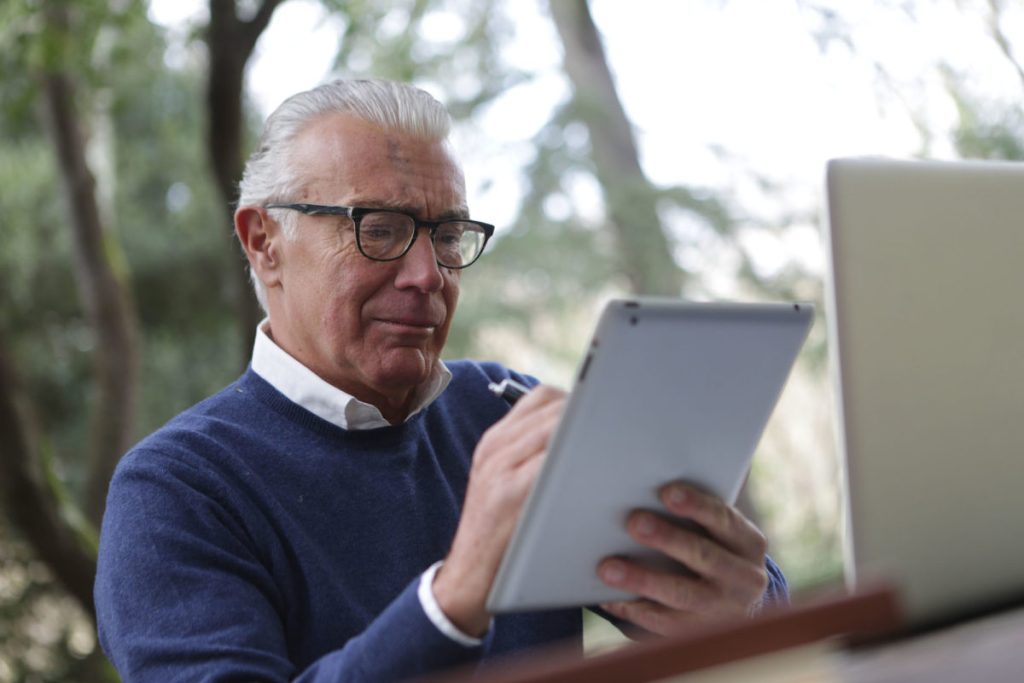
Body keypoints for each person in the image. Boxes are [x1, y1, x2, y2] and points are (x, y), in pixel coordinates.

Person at [94, 79, 787, 682]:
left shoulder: (502, 410)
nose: (429, 274)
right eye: (383, 228)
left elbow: (727, 608)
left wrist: (745, 603)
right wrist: (454, 596)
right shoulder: (175, 491)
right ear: (264, 242)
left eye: (448, 234)